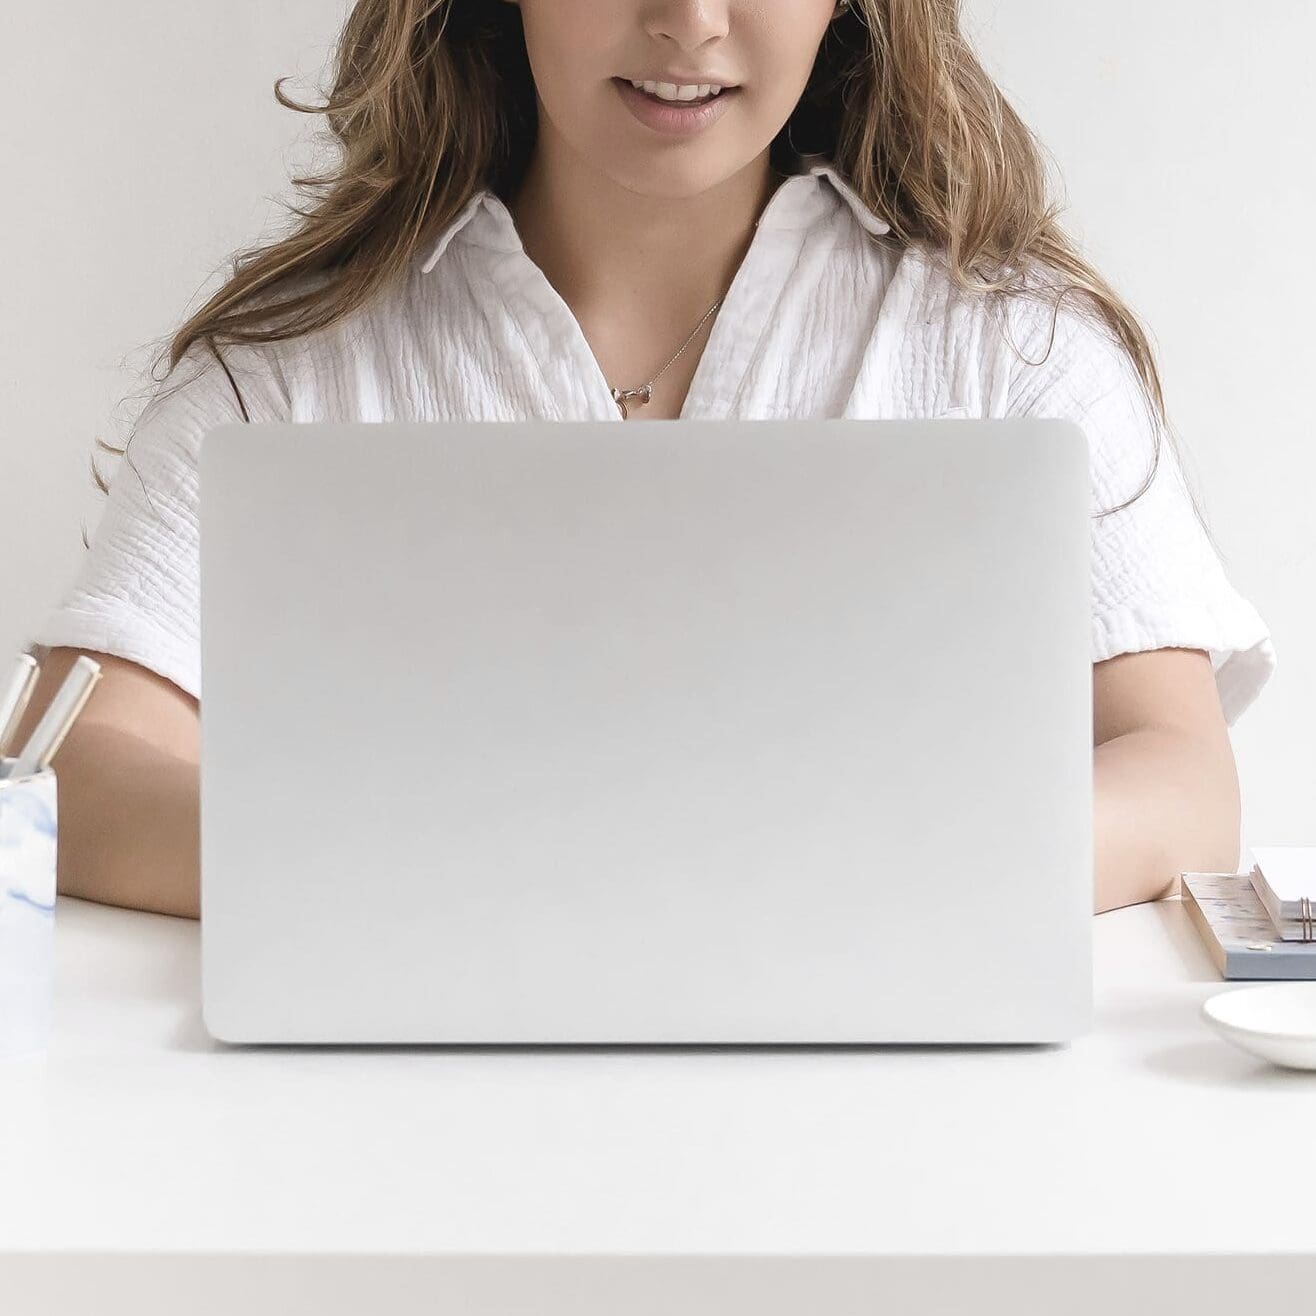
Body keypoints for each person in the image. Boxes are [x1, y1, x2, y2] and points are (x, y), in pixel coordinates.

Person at [15, 0, 1274, 920]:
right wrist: (453, 867)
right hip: (404, 1118)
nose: (687, 21)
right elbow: (69, 761)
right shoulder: (292, 371)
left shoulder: (1011, 354)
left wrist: (850, 873)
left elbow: (1175, 777)